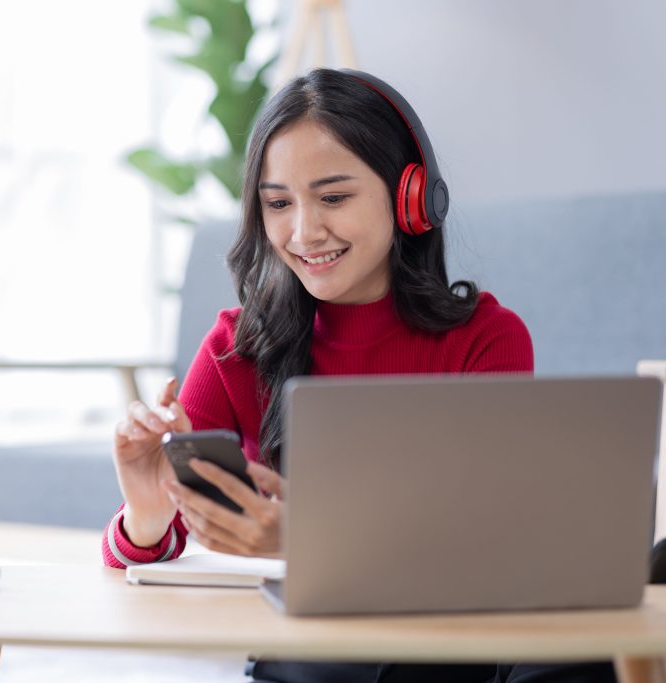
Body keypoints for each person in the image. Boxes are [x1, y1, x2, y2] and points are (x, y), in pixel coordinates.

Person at [101, 68, 614, 683]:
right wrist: (146, 509)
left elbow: (492, 542)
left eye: (334, 197)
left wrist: (317, 543)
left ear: (411, 198)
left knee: (583, 653)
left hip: (457, 641)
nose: (303, 232)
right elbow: (154, 549)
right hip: (319, 651)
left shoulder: (486, 337)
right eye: (279, 203)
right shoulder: (235, 347)